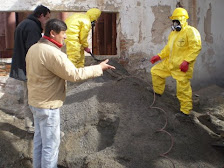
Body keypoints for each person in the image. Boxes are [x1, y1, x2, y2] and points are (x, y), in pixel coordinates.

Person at [26, 18, 115, 168]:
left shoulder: (34, 48)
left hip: (35, 102)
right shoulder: (53, 53)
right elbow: (74, 75)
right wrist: (99, 68)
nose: (65, 36)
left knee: (39, 143)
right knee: (51, 147)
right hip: (49, 106)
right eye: (63, 33)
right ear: (53, 33)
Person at [150, 7, 201, 119]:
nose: (174, 23)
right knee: (156, 71)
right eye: (173, 21)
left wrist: (187, 61)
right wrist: (159, 56)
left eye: (176, 20)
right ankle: (158, 93)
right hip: (170, 63)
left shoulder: (190, 31)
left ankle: (185, 112)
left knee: (182, 89)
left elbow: (196, 47)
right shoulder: (173, 34)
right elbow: (168, 49)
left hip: (182, 66)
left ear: (182, 20)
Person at [10, 5, 51, 133]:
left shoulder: (24, 24)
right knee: (31, 98)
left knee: (29, 97)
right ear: (41, 15)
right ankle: (31, 126)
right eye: (47, 18)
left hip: (24, 68)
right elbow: (34, 51)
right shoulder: (32, 27)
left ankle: (31, 125)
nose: (47, 21)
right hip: (29, 70)